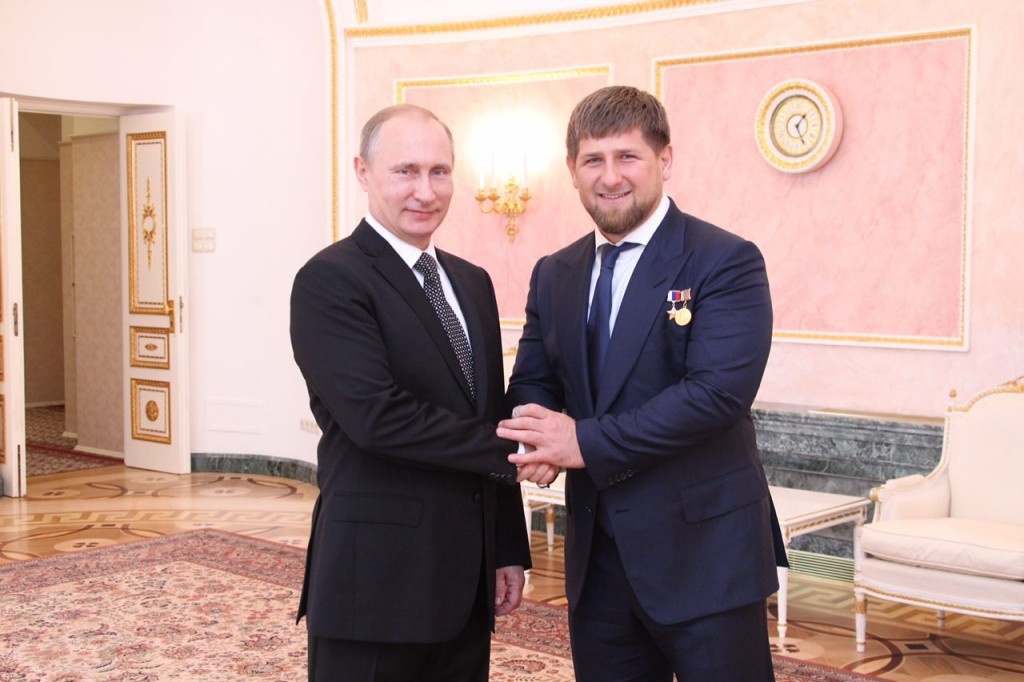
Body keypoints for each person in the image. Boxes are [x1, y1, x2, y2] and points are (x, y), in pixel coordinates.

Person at [499, 85, 788, 681]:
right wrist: (536, 438)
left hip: (706, 557)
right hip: (598, 560)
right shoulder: (554, 273)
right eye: (593, 160)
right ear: (572, 170)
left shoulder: (725, 260)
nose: (610, 177)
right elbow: (533, 381)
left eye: (627, 156)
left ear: (665, 159)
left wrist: (580, 442)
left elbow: (715, 396)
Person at [290, 103, 531, 682]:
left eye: (439, 171)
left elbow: (489, 412)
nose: (426, 191)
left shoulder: (472, 282)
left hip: (465, 582)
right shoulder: (331, 279)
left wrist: (505, 546)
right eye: (406, 171)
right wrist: (521, 450)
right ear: (363, 171)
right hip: (375, 583)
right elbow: (378, 418)